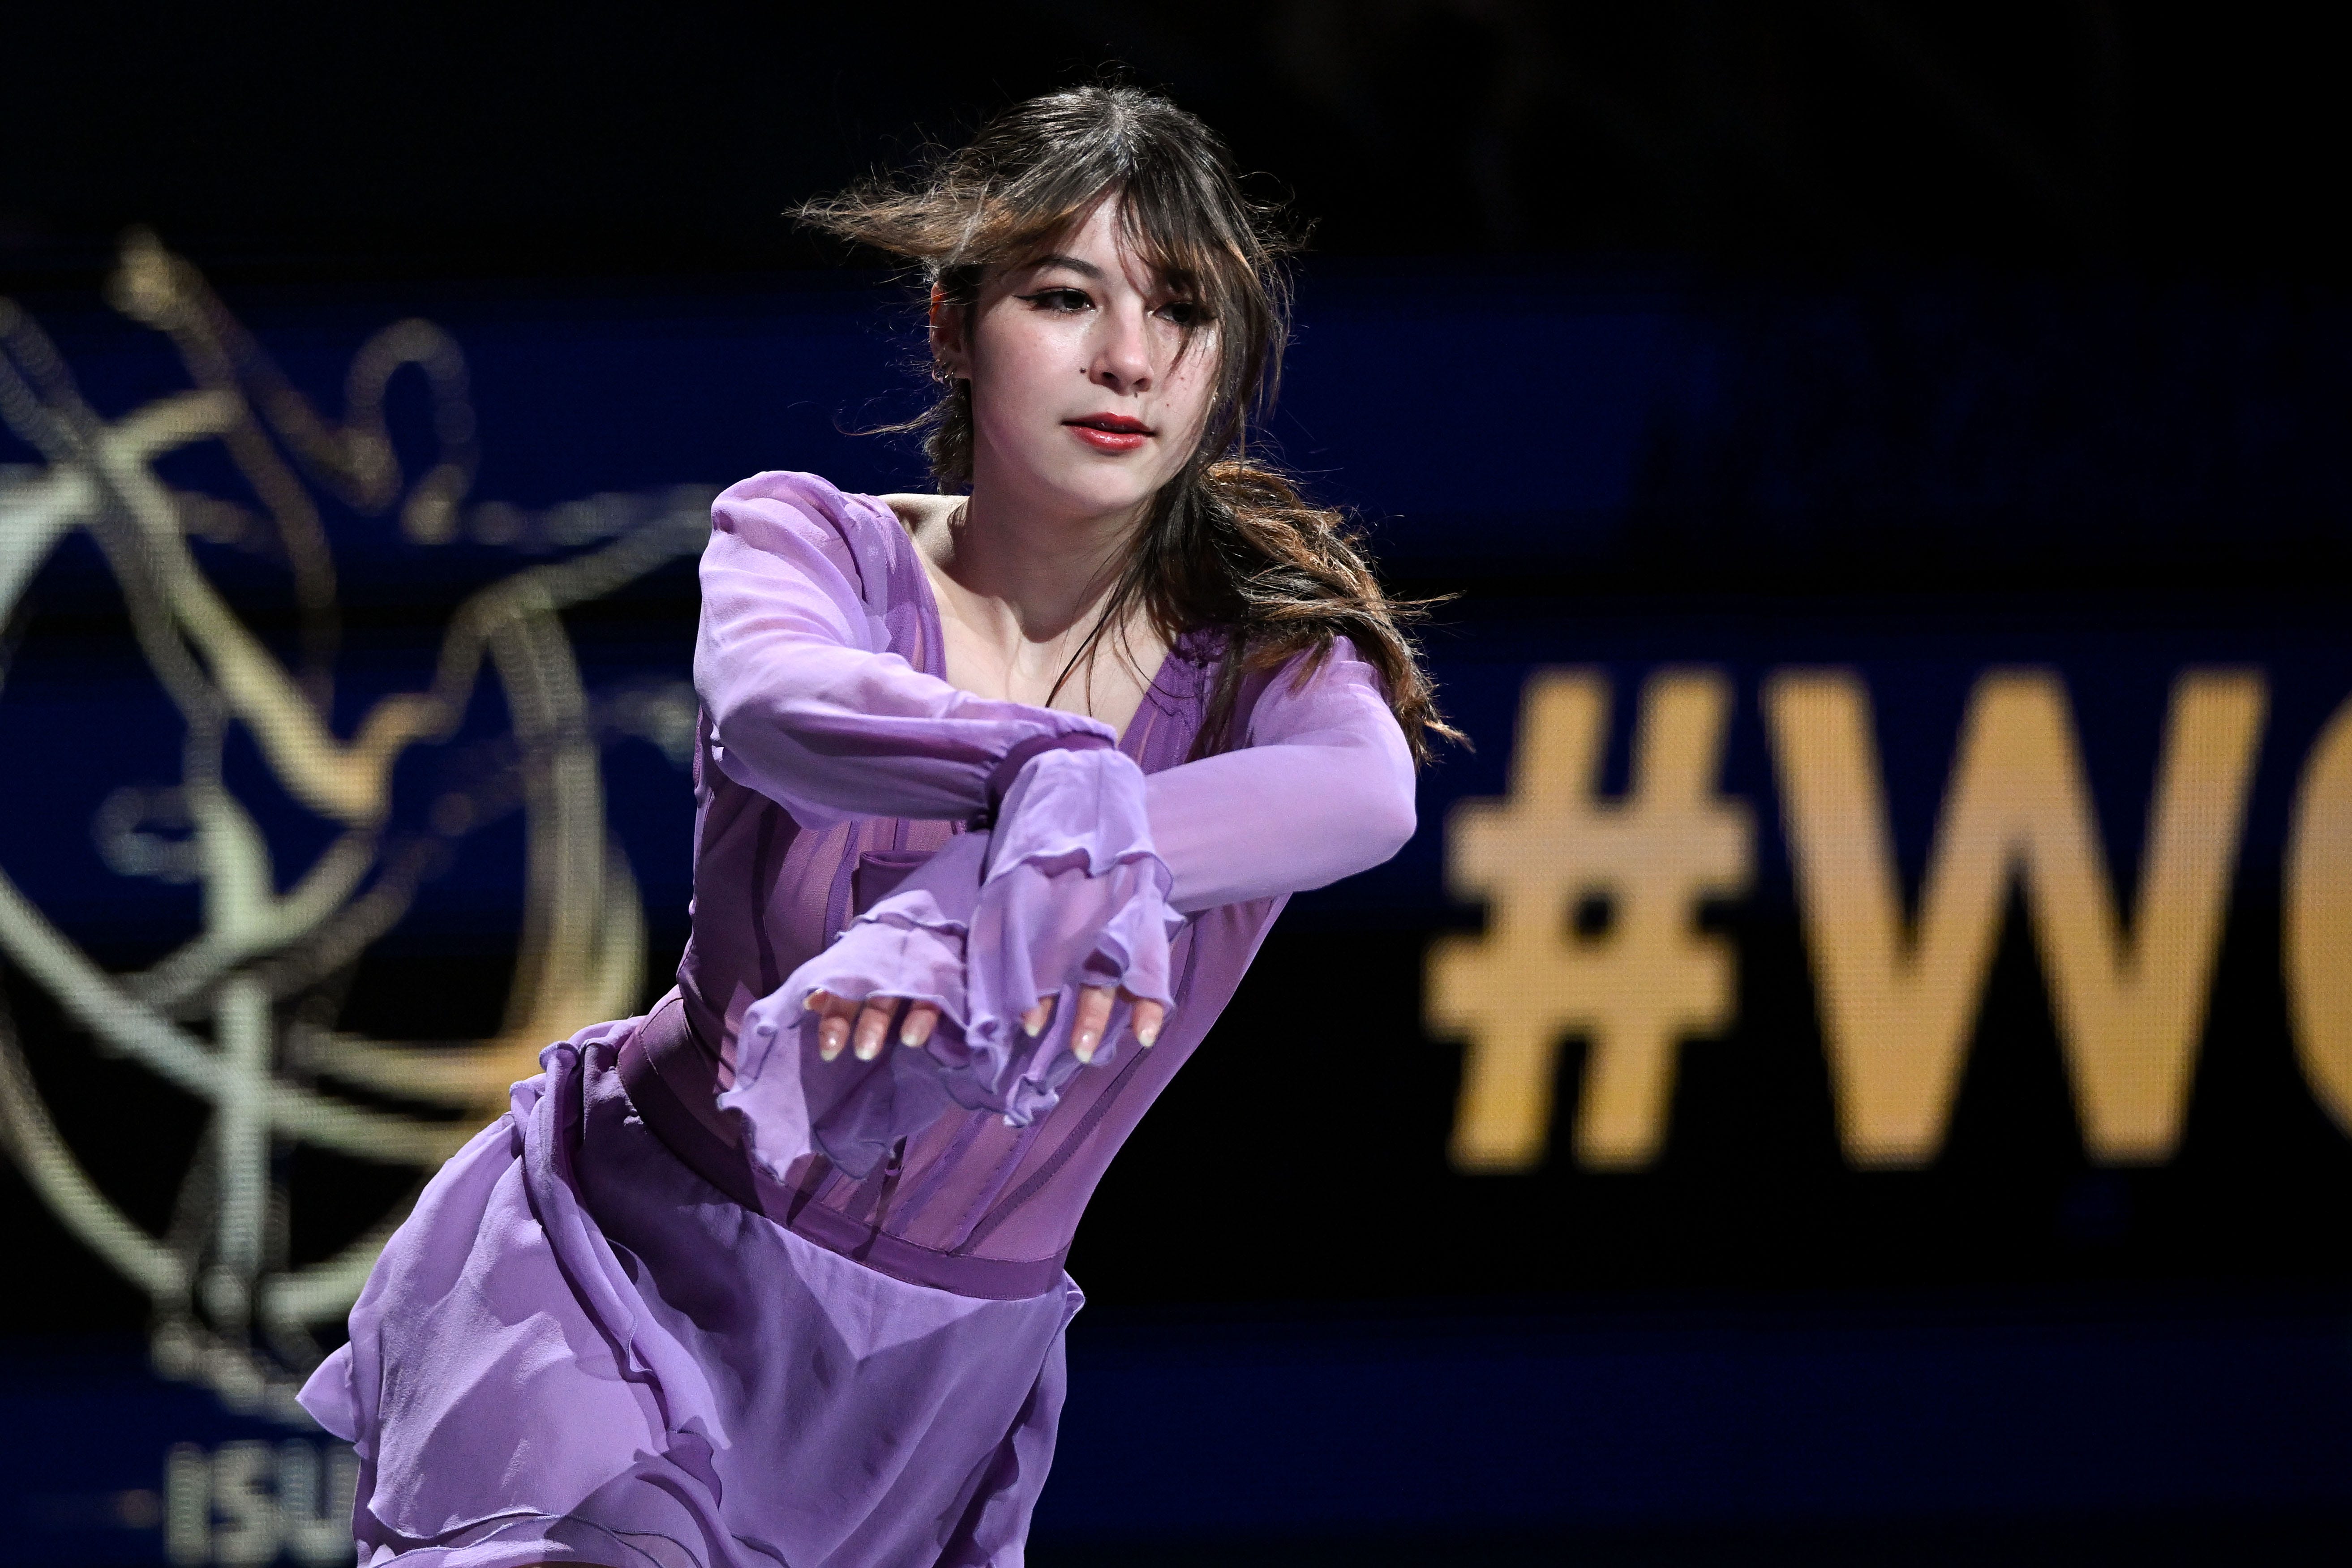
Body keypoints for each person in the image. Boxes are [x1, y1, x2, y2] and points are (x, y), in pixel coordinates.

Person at [299, 84, 1454, 1568]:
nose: (1125, 359)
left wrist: (987, 878)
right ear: (949, 326)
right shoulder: (811, 541)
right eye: (1062, 297)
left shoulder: (1275, 662)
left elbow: (1363, 801)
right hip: (641, 1262)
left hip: (921, 1386)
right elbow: (776, 704)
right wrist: (1053, 774)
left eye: (1182, 311)